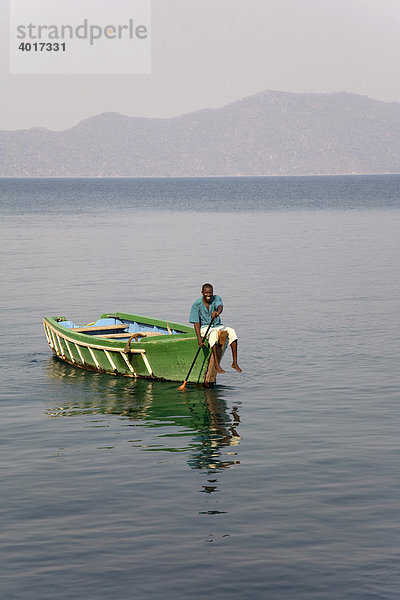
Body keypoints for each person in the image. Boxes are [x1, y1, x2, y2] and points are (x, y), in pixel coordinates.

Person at [189, 283, 242, 374]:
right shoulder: (196, 304)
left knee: (232, 331)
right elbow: (196, 323)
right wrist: (199, 339)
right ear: (202, 293)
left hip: (217, 325)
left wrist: (217, 312)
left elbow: (220, 306)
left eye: (210, 293)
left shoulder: (216, 298)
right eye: (206, 293)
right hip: (205, 328)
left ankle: (235, 363)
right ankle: (216, 365)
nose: (208, 295)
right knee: (213, 334)